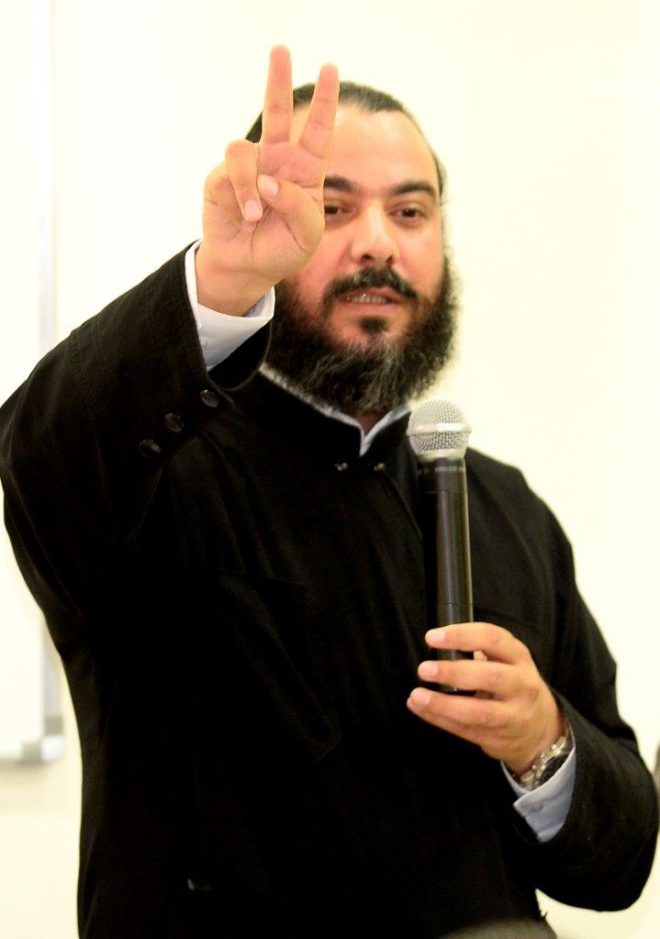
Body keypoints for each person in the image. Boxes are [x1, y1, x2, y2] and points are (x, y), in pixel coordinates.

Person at [0, 46, 657, 939]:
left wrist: (545, 742)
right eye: (333, 207)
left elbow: (623, 862)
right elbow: (40, 447)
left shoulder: (506, 510)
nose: (378, 243)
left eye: (411, 211)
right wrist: (221, 282)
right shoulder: (160, 474)